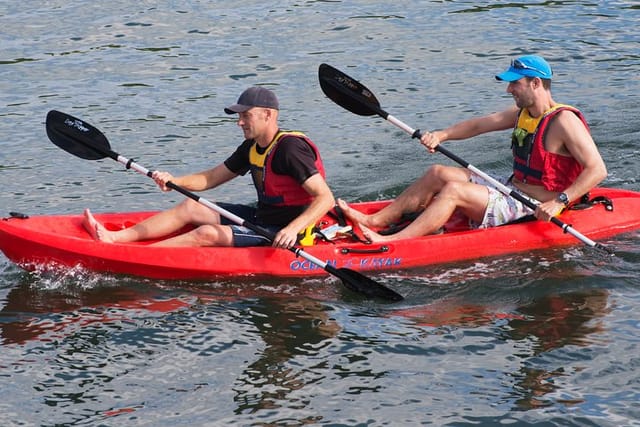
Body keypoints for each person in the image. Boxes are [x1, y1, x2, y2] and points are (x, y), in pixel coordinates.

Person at [337, 55, 607, 242]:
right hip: (513, 187)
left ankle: (397, 239)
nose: (509, 89)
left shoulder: (564, 121)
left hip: (535, 204)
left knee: (454, 190)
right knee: (438, 172)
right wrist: (441, 135)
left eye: (515, 83)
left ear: (535, 83)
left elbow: (597, 169)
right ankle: (376, 221)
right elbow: (480, 125)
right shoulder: (523, 113)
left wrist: (558, 203)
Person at [83, 86, 335, 248]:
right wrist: (175, 181)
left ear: (268, 115)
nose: (239, 122)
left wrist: (292, 230)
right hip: (262, 217)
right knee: (191, 206)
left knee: (208, 233)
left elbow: (325, 199)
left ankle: (137, 256)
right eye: (239, 116)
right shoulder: (252, 146)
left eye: (245, 115)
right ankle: (115, 238)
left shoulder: (290, 149)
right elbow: (212, 177)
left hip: (288, 233)